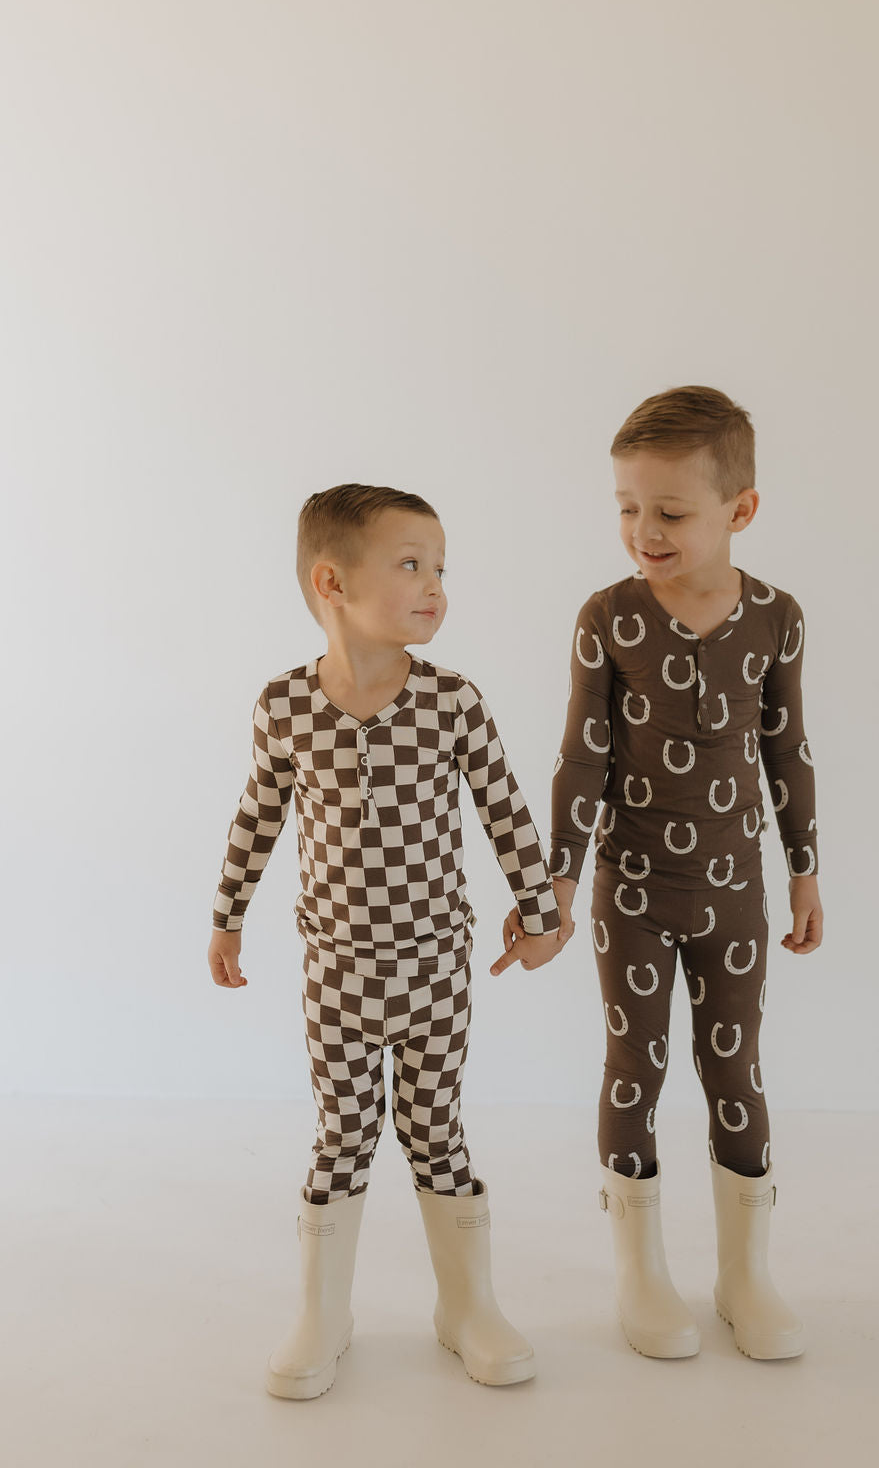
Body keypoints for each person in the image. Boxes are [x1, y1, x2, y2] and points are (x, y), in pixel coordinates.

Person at [208, 483, 566, 1398]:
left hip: (437, 971)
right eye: (411, 565)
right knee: (343, 1134)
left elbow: (505, 810)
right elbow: (258, 817)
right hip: (335, 976)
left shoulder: (453, 702)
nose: (435, 586)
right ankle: (325, 1314)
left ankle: (467, 1307)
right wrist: (227, 915)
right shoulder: (286, 707)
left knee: (435, 1128)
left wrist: (541, 910)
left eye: (441, 568)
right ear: (332, 581)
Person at [504, 386, 823, 1361]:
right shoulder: (607, 618)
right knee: (633, 1067)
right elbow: (580, 759)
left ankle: (744, 1274)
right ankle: (642, 1274)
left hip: (735, 896)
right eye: (626, 506)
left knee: (734, 1068)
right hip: (631, 897)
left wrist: (805, 871)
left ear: (741, 510)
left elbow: (787, 751)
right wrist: (550, 892)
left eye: (670, 512)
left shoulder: (775, 618)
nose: (642, 530)